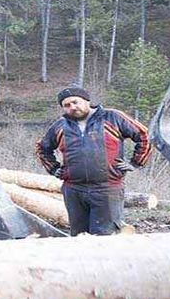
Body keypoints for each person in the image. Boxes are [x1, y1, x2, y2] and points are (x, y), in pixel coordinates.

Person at [35, 86, 152, 236]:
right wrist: (53, 168)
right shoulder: (60, 126)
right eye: (67, 105)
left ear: (86, 101)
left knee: (105, 236)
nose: (72, 107)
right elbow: (42, 147)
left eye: (75, 102)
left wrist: (136, 162)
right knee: (78, 236)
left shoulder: (112, 117)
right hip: (74, 190)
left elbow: (143, 135)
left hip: (107, 188)